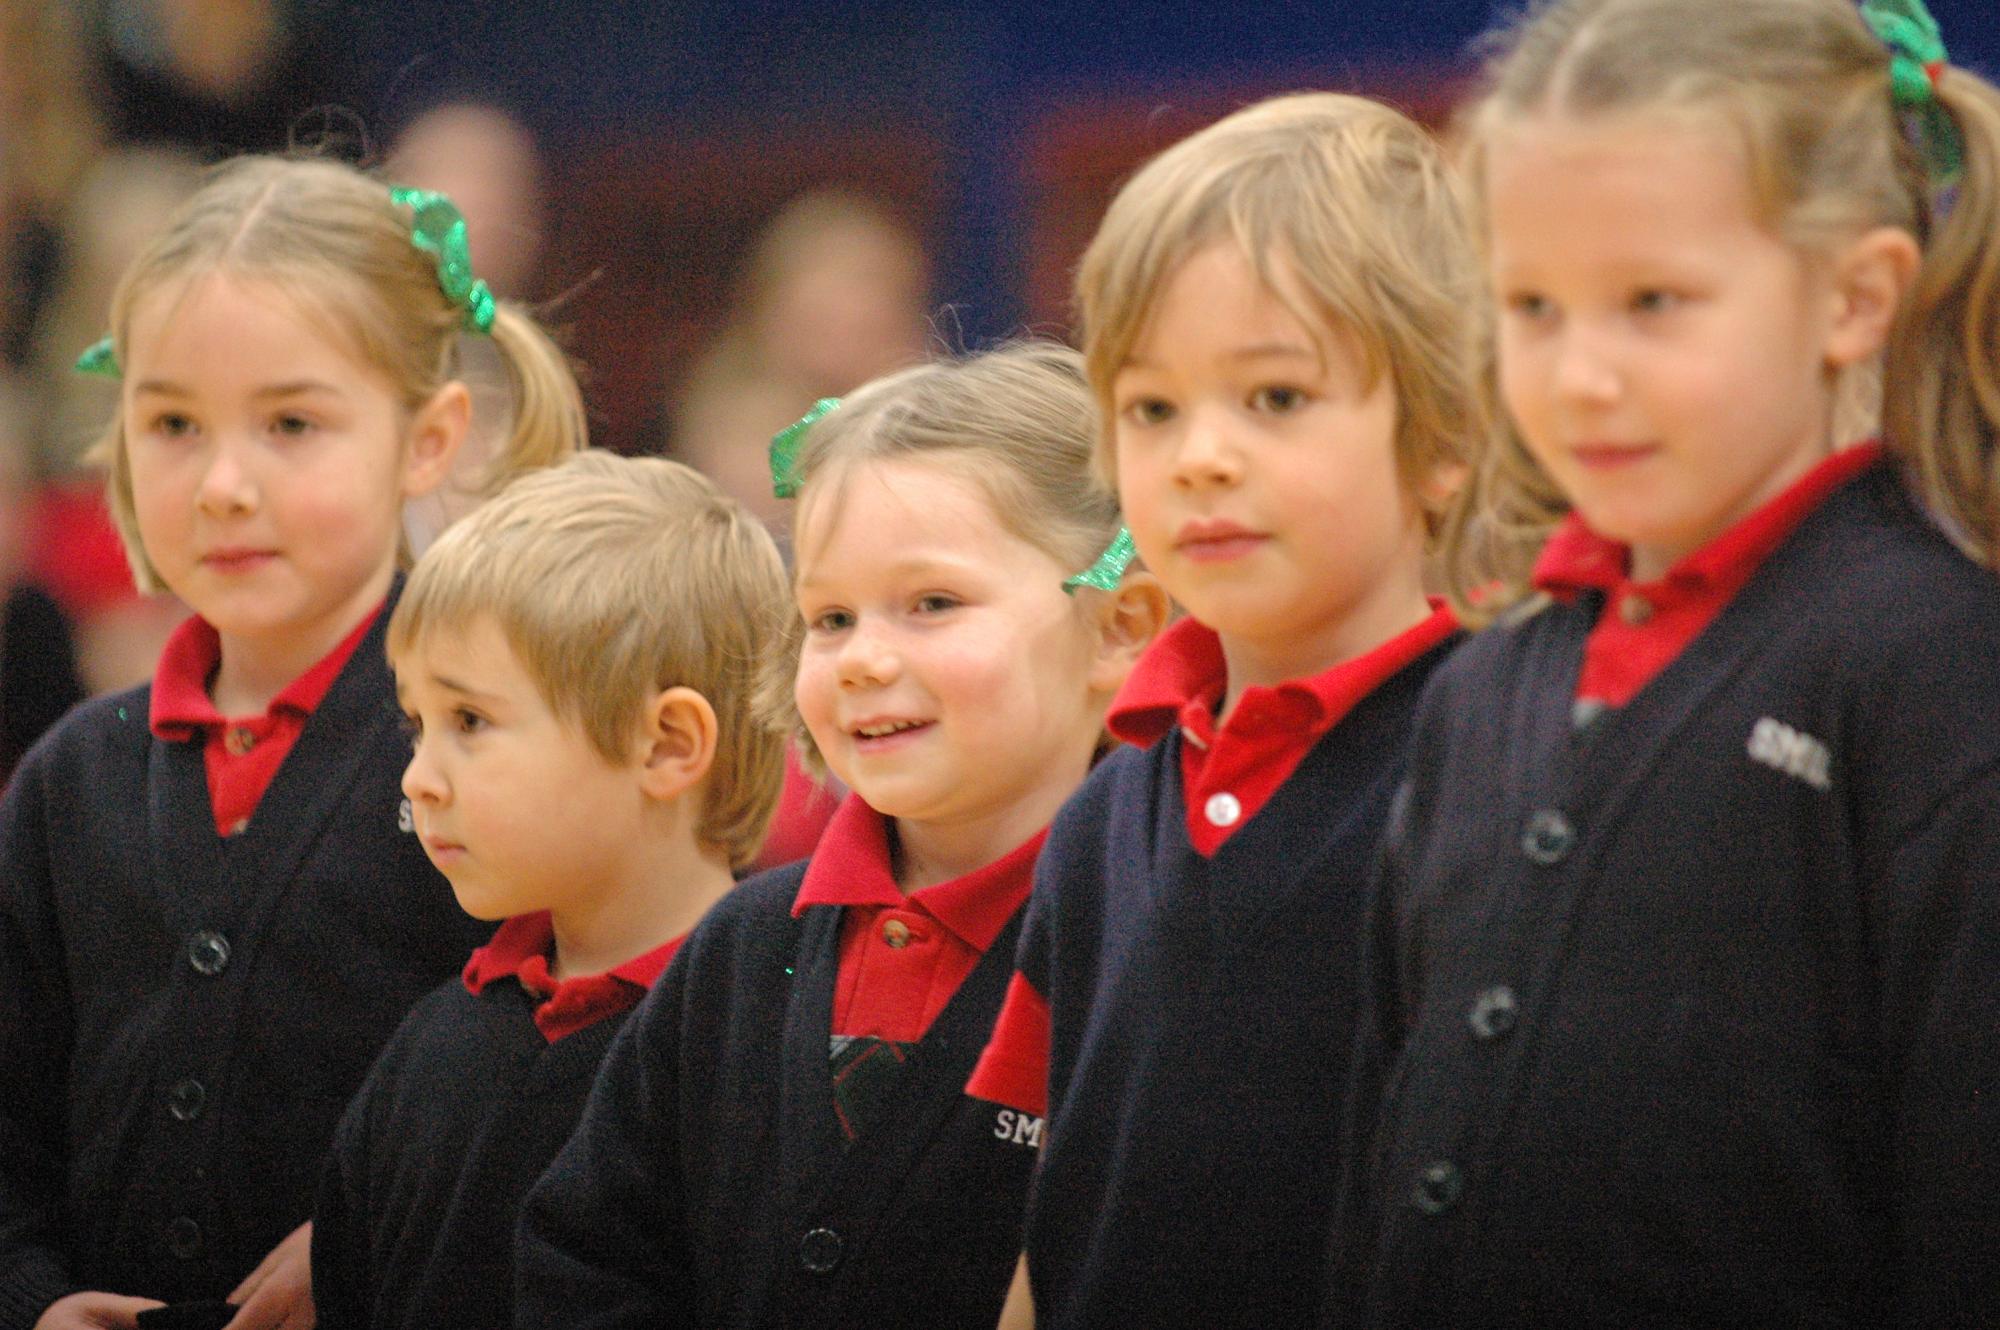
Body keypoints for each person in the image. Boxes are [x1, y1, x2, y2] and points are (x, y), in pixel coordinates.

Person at [1328, 1, 2000, 1325]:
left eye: (1654, 303)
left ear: (1855, 297)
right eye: (1533, 306)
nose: (1581, 374)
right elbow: (1381, 1149)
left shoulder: (1932, 666)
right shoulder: (1480, 690)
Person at [0, 155, 585, 1330]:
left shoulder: (502, 757)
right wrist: (33, 1297)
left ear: (428, 439)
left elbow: (577, 1076)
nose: (221, 483)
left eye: (290, 423)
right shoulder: (70, 776)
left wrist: (383, 1229)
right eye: (172, 421)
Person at [515, 342, 1167, 1329]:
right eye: (827, 616)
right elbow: (588, 1252)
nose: (862, 659)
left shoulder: (1153, 947)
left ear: (1117, 627)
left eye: (932, 604)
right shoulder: (741, 947)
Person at [964, 93, 1476, 1330]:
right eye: (1151, 408)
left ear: (1444, 436)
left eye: (1274, 398)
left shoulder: (1494, 772)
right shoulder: (1098, 822)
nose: (1197, 456)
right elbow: (1055, 1207)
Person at [311, 451, 789, 1330]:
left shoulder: (764, 1055)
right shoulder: (433, 1046)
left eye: (470, 722)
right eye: (417, 725)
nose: (417, 777)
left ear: (669, 745)